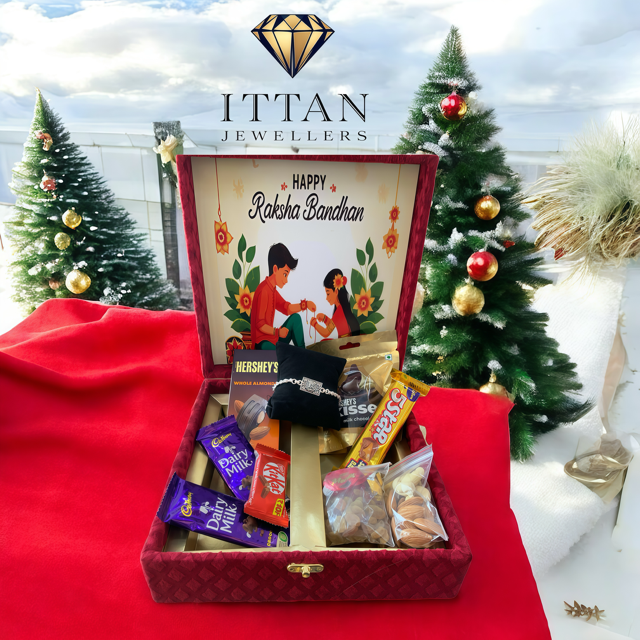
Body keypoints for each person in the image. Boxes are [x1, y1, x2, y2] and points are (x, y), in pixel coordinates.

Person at [251, 243, 316, 350]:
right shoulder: (263, 290)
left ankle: (303, 354)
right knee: (269, 348)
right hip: (261, 343)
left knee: (295, 318)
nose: (286, 280)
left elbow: (286, 308)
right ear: (275, 269)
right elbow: (260, 325)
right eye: (285, 274)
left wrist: (305, 305)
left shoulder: (272, 290)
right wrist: (277, 332)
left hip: (273, 339)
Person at [311, 269, 361, 339]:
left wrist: (314, 324)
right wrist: (324, 318)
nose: (326, 298)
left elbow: (326, 332)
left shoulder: (339, 311)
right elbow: (335, 324)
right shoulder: (342, 308)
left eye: (328, 294)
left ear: (336, 292)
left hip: (344, 342)